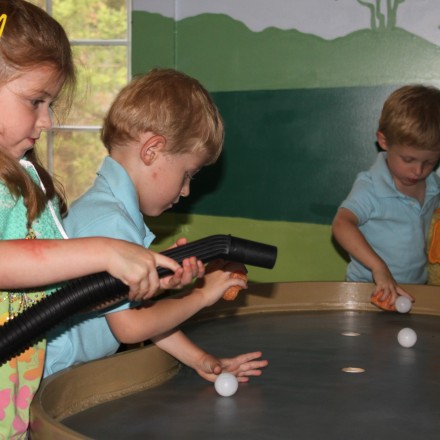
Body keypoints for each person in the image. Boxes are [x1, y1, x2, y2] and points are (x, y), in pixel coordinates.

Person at [0, 2, 189, 438]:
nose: (46, 120)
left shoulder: (24, 181)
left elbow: (59, 298)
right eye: (36, 101)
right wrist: (105, 250)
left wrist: (145, 280)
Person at [45, 68, 268, 384]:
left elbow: (139, 309)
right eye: (187, 174)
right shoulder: (110, 222)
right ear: (152, 151)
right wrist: (203, 295)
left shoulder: (112, 213)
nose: (186, 190)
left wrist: (200, 359)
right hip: (45, 382)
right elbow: (131, 326)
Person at [332, 85, 440, 309]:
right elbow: (342, 224)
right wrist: (378, 268)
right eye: (408, 160)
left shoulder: (434, 185)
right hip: (368, 292)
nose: (418, 171)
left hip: (416, 293)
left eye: (429, 162)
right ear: (384, 141)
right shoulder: (371, 186)